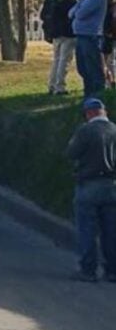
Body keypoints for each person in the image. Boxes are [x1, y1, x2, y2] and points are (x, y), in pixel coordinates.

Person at [66, 98, 116, 282]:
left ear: (88, 113)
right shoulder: (115, 130)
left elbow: (71, 153)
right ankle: (112, 270)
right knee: (111, 230)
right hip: (112, 186)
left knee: (87, 229)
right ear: (104, 111)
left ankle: (88, 269)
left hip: (88, 184)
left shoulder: (85, 131)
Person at [70, 0, 107, 99]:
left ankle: (98, 94)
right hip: (80, 35)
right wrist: (77, 9)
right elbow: (71, 12)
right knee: (83, 67)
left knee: (92, 66)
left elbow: (80, 14)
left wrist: (77, 11)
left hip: (91, 36)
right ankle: (88, 93)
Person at [41, 0, 78, 96]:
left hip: (55, 32)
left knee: (56, 59)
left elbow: (43, 15)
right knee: (64, 60)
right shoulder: (70, 0)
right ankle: (60, 86)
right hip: (68, 32)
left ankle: (52, 85)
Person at [104, 0, 116, 88]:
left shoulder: (104, 6)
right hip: (110, 35)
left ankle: (109, 81)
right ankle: (110, 80)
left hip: (105, 34)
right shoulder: (112, 6)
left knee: (106, 60)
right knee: (110, 60)